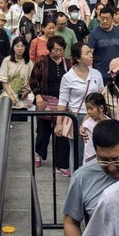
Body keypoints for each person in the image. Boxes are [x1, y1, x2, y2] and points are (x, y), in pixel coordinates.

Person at [30, 36, 71, 174]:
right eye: (55, 50)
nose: (58, 52)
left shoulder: (68, 64)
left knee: (62, 133)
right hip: (46, 100)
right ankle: (38, 153)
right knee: (43, 131)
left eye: (61, 49)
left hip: (62, 102)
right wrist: (38, 96)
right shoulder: (41, 63)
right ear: (49, 49)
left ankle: (61, 164)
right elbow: (33, 81)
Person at [87, 7, 119, 84]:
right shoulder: (94, 33)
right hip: (101, 73)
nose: (105, 21)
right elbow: (90, 53)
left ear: (112, 18)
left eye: (107, 18)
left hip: (118, 72)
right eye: (102, 18)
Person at [0, 37, 33, 112]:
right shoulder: (7, 60)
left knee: (22, 122)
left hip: (23, 99)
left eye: (22, 46)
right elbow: (3, 81)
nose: (20, 48)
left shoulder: (28, 62)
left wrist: (27, 90)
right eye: (17, 46)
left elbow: (32, 79)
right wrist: (11, 97)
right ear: (13, 47)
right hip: (8, 97)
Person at [80, 93, 110, 163]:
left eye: (91, 108)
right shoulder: (87, 125)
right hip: (93, 160)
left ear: (101, 108)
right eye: (87, 109)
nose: (89, 112)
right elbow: (90, 148)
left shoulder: (110, 122)